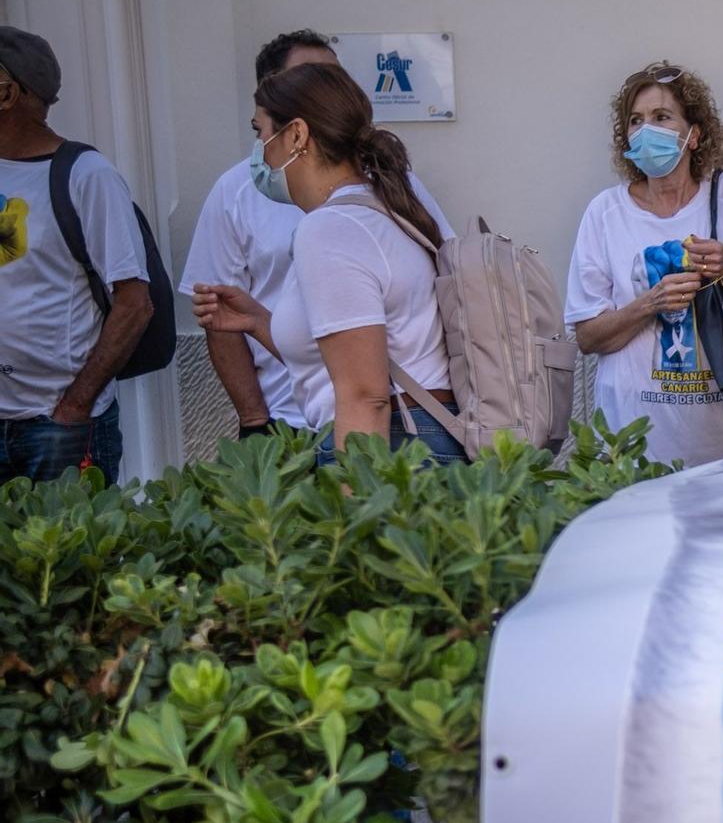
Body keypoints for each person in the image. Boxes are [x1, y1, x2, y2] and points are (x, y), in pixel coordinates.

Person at [179, 29, 451, 439]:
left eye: (261, 131)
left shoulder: (329, 228)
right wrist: (257, 320)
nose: (260, 148)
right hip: (410, 433)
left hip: (386, 439)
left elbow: (365, 396)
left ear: (297, 135)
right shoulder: (375, 200)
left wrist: (349, 499)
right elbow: (340, 350)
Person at [566, 61, 723, 468]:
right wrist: (650, 303)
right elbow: (589, 337)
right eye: (635, 121)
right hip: (637, 453)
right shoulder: (606, 212)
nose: (646, 130)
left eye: (661, 117)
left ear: (694, 134)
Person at [0, 26, 149, 483]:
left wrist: (74, 407)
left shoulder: (86, 175)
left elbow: (134, 302)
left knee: (71, 554)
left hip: (57, 426)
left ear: (8, 93)